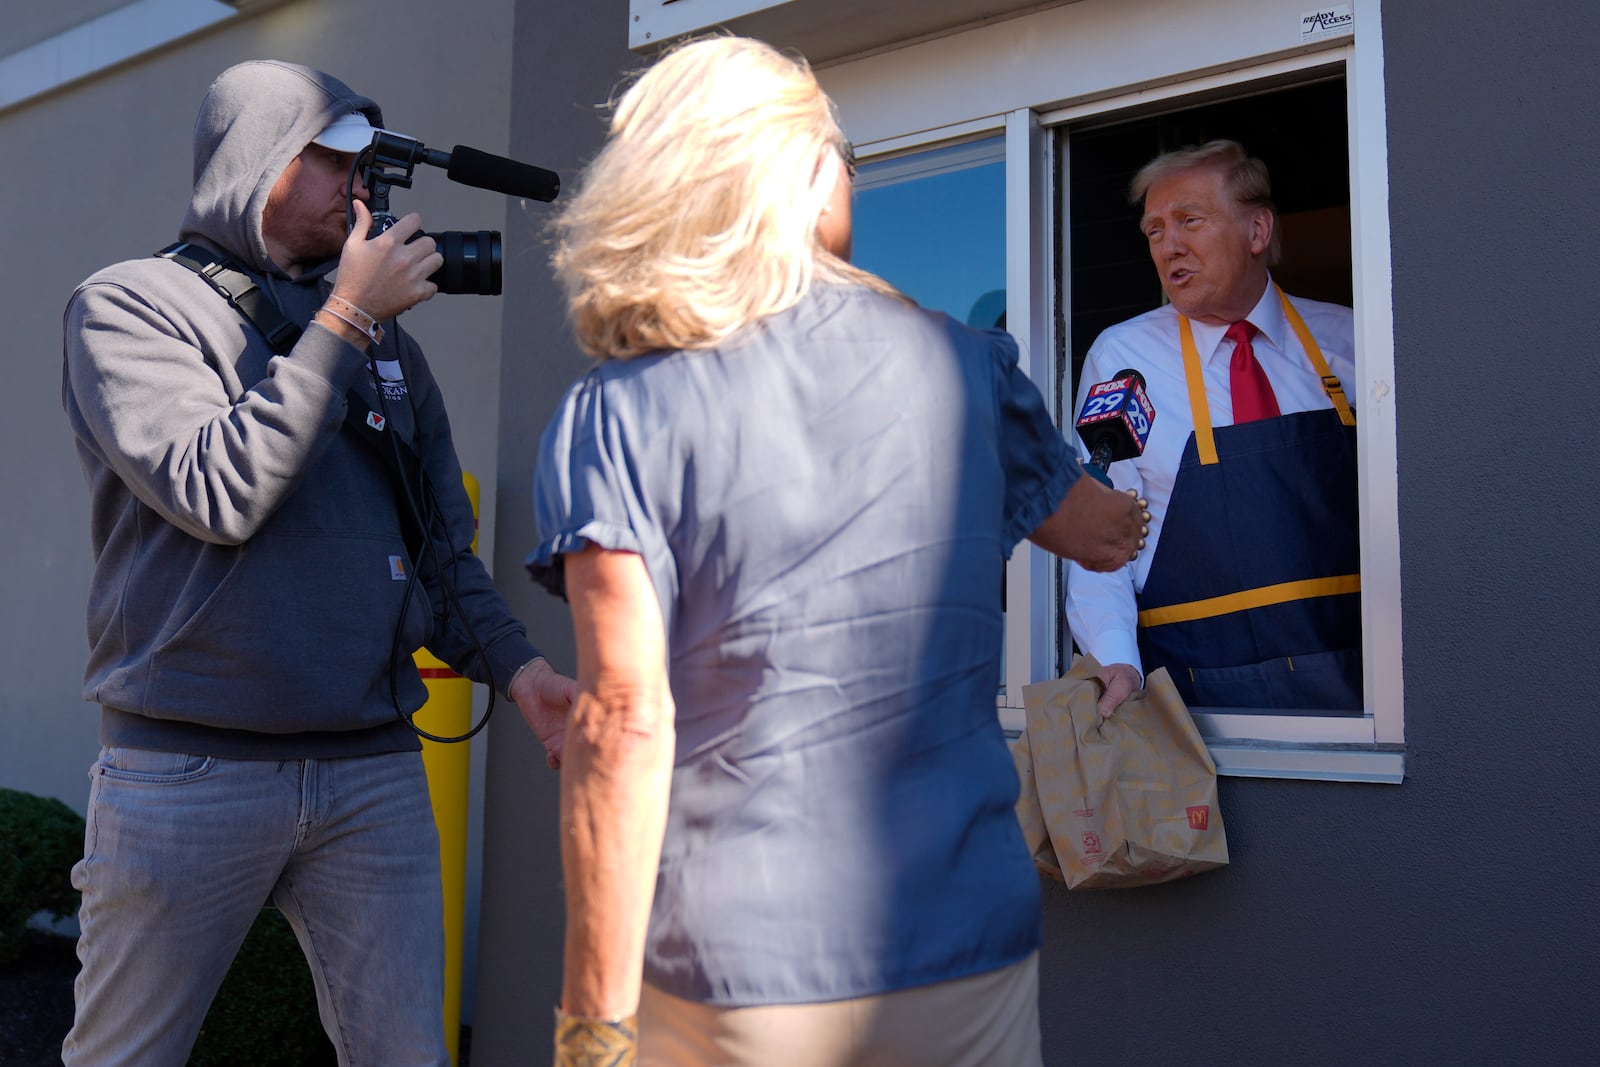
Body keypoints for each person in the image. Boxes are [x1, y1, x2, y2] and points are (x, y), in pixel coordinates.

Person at [527, 36, 1147, 1067]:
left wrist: (593, 1028)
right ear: (806, 176)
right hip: (961, 946)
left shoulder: (616, 409)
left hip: (733, 970)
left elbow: (624, 720)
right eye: (843, 154)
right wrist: (1144, 483)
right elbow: (1093, 532)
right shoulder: (966, 366)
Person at [59, 60, 575, 1066]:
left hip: (372, 769)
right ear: (260, 163)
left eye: (373, 167)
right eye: (339, 163)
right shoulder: (129, 307)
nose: (366, 190)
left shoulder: (388, 345)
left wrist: (522, 673)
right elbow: (221, 491)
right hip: (188, 764)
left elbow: (439, 552)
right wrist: (341, 320)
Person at [1065, 139, 1361, 717]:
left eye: (1189, 221)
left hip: (1360, 694)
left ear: (1257, 231)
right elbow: (1099, 536)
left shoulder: (1353, 341)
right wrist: (1114, 660)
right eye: (1153, 231)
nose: (1168, 246)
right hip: (1196, 704)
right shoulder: (1124, 359)